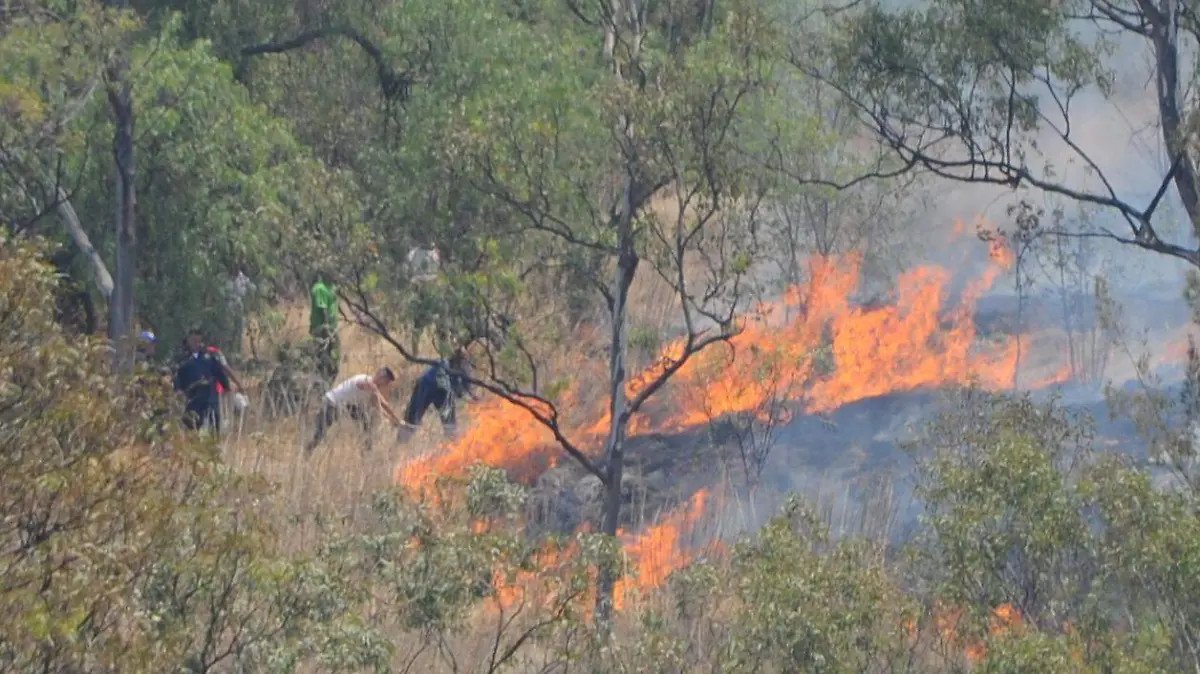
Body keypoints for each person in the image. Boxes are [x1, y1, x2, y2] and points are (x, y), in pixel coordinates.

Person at [305, 367, 400, 454]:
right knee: (321, 434)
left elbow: (382, 404)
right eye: (386, 382)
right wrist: (375, 391)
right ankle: (307, 451)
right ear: (381, 376)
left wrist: (395, 419)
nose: (385, 385)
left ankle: (367, 451)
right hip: (332, 402)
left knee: (366, 421)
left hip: (345, 405)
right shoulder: (364, 380)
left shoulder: (373, 389)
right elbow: (363, 386)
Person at [400, 347, 477, 437]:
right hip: (428, 386)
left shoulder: (463, 369)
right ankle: (402, 441)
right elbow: (445, 386)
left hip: (438, 391)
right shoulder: (444, 364)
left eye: (463, 360)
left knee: (450, 425)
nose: (461, 362)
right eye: (460, 359)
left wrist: (474, 397)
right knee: (412, 419)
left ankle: (452, 442)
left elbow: (468, 388)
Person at [174, 328, 232, 433]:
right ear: (188, 341)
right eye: (193, 340)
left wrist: (226, 386)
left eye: (198, 341)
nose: (195, 344)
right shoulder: (182, 358)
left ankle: (214, 438)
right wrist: (178, 389)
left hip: (209, 392)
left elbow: (219, 372)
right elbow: (177, 376)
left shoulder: (208, 356)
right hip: (192, 394)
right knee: (192, 421)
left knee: (214, 417)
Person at [309, 274, 340, 383]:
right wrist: (327, 330)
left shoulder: (332, 287)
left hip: (333, 328)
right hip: (322, 329)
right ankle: (321, 385)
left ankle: (328, 383)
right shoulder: (319, 288)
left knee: (334, 360)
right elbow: (323, 310)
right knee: (323, 359)